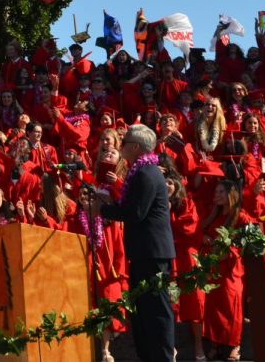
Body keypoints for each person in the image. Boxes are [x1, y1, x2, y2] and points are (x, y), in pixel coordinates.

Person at [94, 124, 176, 362]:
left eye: (125, 142)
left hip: (152, 253)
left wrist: (103, 209)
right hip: (144, 252)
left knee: (156, 311)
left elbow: (136, 212)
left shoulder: (146, 173)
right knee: (144, 312)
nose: (120, 146)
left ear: (136, 147)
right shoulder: (140, 171)